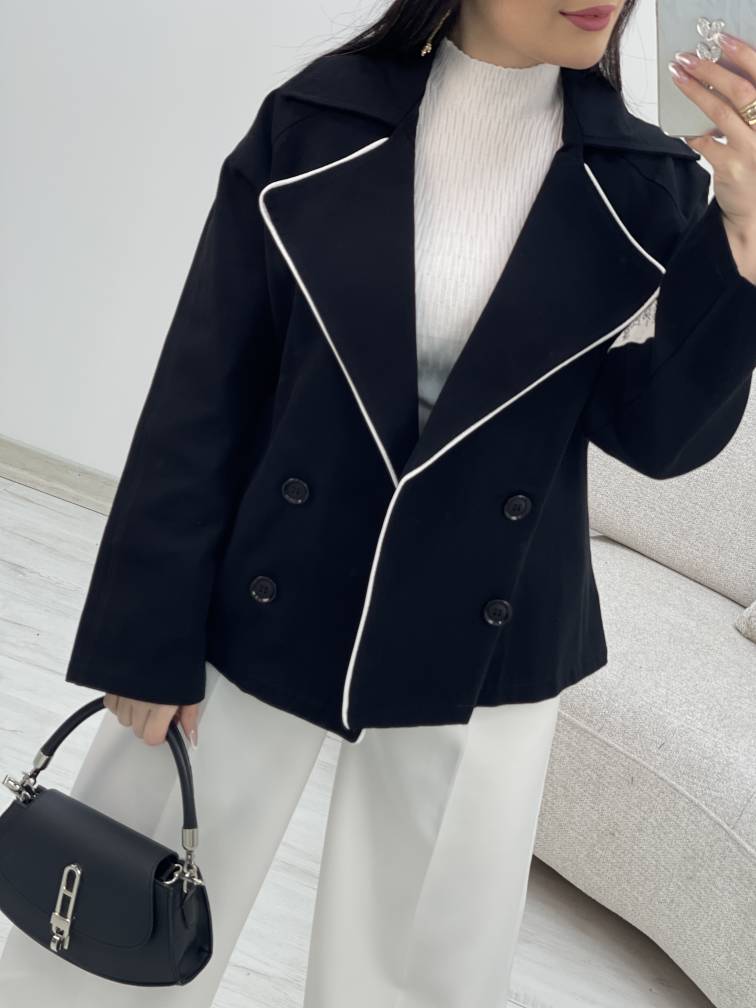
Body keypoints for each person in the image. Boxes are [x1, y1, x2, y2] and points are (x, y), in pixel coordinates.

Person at [2, 1, 755, 1005]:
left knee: (414, 983)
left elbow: (660, 436)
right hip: (268, 578)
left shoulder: (652, 181)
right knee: (105, 944)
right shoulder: (318, 118)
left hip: (488, 630)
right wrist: (145, 632)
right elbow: (207, 389)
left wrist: (746, 255)